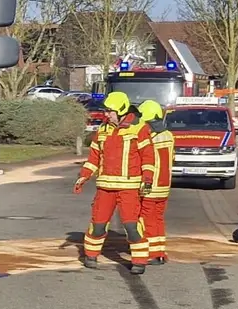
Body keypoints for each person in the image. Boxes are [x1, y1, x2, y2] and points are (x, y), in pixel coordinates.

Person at [74, 90, 156, 273]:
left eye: (110, 111)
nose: (106, 114)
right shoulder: (102, 130)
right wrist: (84, 176)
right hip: (105, 188)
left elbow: (148, 158)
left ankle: (139, 261)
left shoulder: (139, 129)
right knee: (98, 224)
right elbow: (94, 158)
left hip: (129, 188)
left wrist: (147, 179)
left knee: (131, 226)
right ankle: (91, 255)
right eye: (106, 111)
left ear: (121, 111)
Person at [136, 99, 175, 265]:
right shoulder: (168, 135)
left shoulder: (150, 137)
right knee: (158, 219)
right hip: (164, 186)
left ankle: (150, 253)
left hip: (150, 186)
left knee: (146, 220)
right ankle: (159, 252)